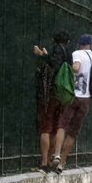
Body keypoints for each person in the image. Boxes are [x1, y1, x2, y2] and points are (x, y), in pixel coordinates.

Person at [51, 34, 92, 174]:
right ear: (91, 45)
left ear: (80, 44)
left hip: (73, 96)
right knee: (73, 132)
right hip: (86, 99)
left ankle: (57, 154)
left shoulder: (77, 53)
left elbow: (76, 67)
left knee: (62, 125)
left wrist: (68, 68)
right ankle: (62, 164)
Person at [33, 30, 72, 173]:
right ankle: (51, 159)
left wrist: (41, 54)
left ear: (55, 40)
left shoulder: (57, 50)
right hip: (63, 95)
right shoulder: (69, 54)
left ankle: (44, 161)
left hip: (52, 93)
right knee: (56, 127)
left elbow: (54, 64)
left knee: (45, 126)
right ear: (67, 42)